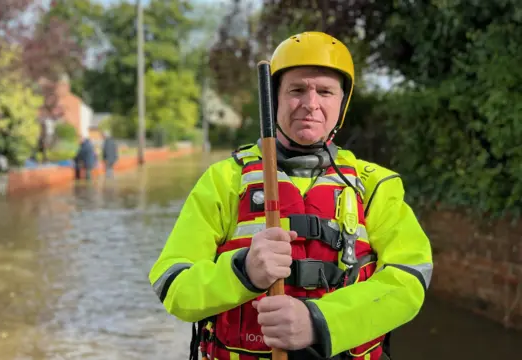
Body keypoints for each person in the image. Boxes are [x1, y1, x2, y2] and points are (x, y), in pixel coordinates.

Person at [148, 31, 433, 360]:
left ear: (342, 103)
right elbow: (173, 286)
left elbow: (410, 280)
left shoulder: (376, 185)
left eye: (325, 92)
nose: (311, 104)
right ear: (275, 100)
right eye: (297, 90)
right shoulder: (224, 180)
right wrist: (243, 272)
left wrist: (318, 323)